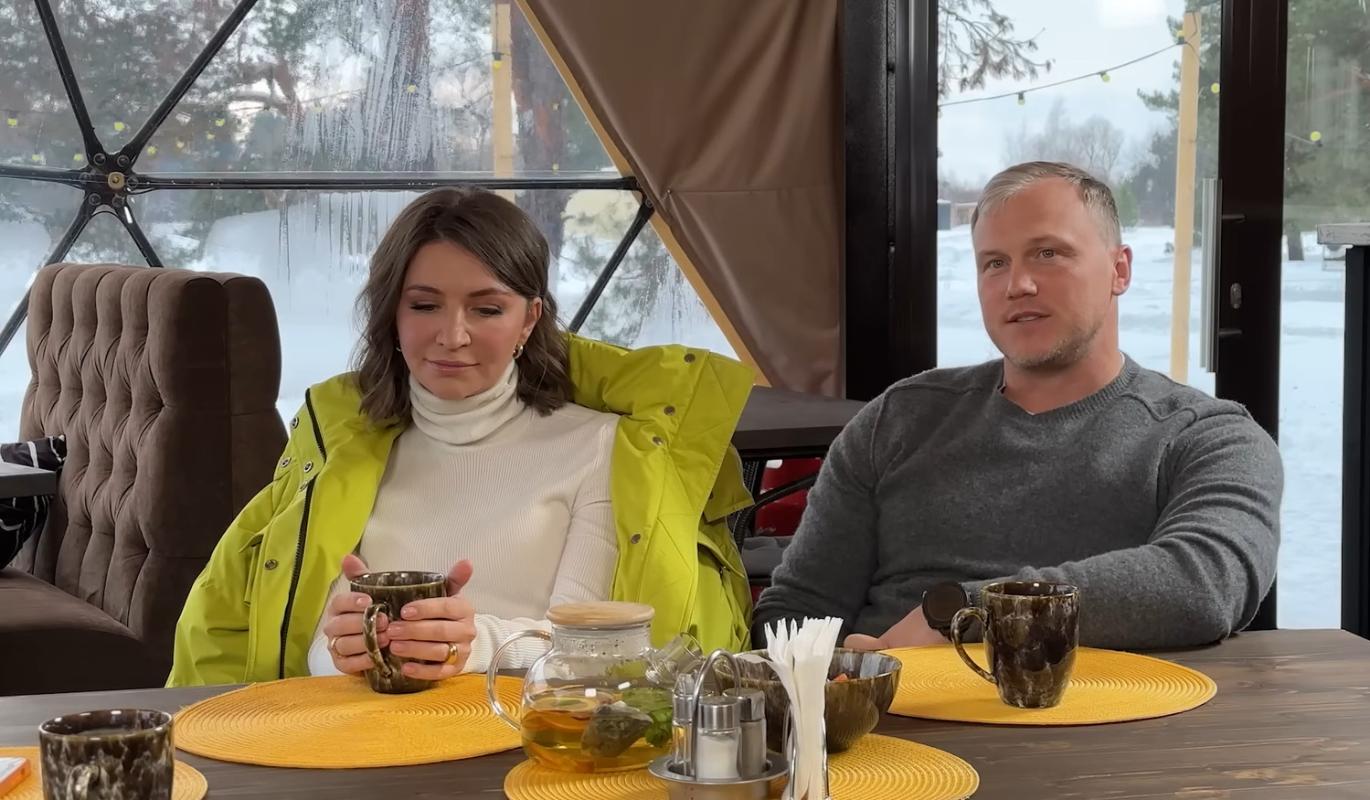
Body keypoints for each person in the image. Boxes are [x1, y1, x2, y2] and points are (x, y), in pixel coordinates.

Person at [168, 188, 754, 686]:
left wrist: (474, 645)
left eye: (487, 310)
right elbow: (283, 650)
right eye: (425, 305)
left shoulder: (603, 448)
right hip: (349, 749)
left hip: (528, 752)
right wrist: (341, 650)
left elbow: (596, 650)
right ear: (391, 316)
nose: (452, 336)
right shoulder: (339, 452)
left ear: (529, 320)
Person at [752, 161, 1283, 651]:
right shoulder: (897, 420)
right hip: (889, 712)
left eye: (1048, 254)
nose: (1017, 285)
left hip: (1109, 716)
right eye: (995, 263)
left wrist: (965, 613)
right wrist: (841, 678)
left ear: (1119, 270)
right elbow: (797, 610)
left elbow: (1204, 584)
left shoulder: (1205, 437)